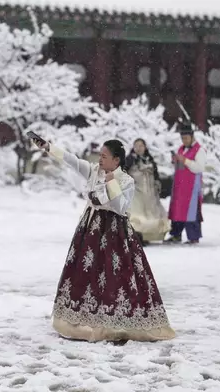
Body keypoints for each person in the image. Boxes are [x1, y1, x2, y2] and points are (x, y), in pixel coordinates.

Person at [33, 137, 176, 343]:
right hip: (90, 229)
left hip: (115, 233)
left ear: (116, 160)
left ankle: (116, 319)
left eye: (104, 156)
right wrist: (49, 148)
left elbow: (120, 207)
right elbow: (72, 161)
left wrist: (111, 182)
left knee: (115, 274)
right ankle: (82, 320)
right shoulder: (93, 171)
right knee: (86, 273)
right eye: (100, 155)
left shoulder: (126, 181)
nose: (100, 159)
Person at [166, 126, 206, 245]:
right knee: (177, 210)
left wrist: (184, 160)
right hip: (180, 186)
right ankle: (175, 234)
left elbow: (199, 167)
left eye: (186, 138)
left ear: (192, 137)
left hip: (192, 187)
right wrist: (175, 161)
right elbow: (182, 166)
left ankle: (193, 237)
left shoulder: (200, 150)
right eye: (182, 138)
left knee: (191, 211)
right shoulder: (181, 149)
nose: (184, 140)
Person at [126, 139, 170, 245]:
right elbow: (122, 172)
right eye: (136, 146)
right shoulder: (129, 159)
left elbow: (156, 174)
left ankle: (146, 236)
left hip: (150, 192)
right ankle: (136, 236)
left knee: (151, 215)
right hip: (136, 191)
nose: (139, 148)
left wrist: (157, 183)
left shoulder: (149, 159)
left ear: (145, 147)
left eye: (141, 146)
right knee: (137, 214)